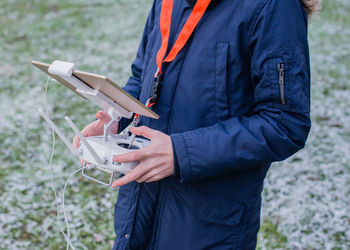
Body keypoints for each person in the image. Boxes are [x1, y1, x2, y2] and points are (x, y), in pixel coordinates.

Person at [74, 0, 318, 248]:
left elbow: (285, 124)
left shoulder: (275, 7)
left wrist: (181, 153)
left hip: (208, 225)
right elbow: (143, 74)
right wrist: (116, 117)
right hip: (138, 208)